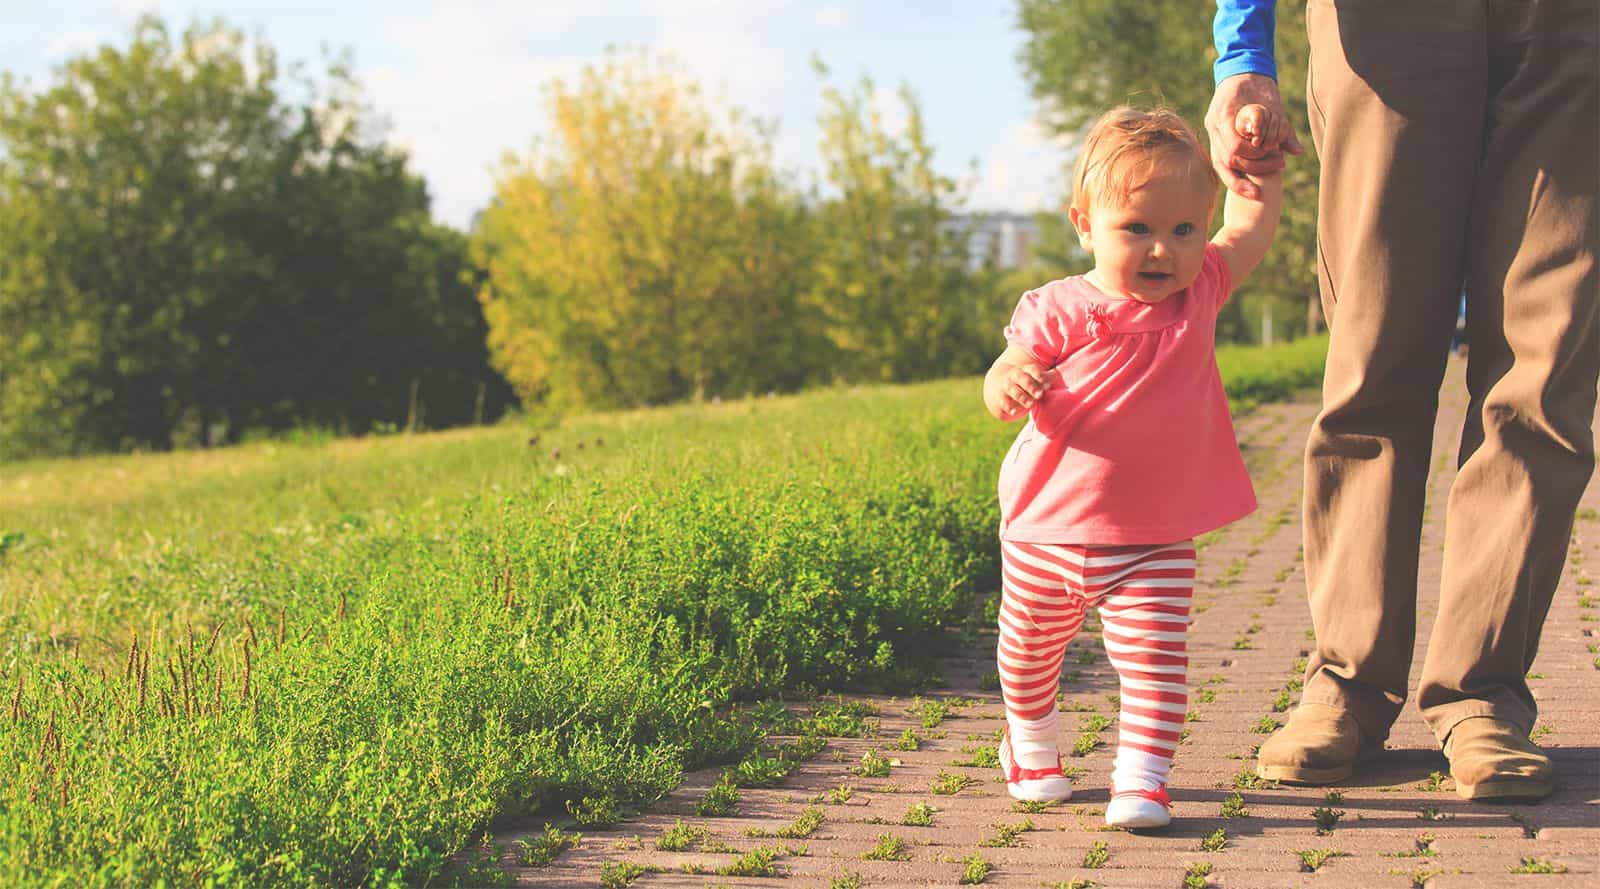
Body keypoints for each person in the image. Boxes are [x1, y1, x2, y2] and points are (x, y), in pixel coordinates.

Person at [1207, 1, 1598, 801]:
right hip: (1385, 23)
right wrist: (1242, 46)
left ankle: (1483, 693)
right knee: (1373, 351)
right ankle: (1346, 682)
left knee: (1545, 367)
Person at [981, 103, 1288, 829]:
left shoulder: (1201, 290)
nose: (1162, 250)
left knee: (1154, 661)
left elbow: (1248, 229)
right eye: (1137, 229)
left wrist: (1259, 173)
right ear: (1085, 225)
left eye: (1183, 230)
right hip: (1046, 528)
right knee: (1027, 654)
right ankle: (1031, 746)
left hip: (1154, 537)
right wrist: (1009, 384)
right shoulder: (1057, 307)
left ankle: (1143, 779)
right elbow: (1005, 368)